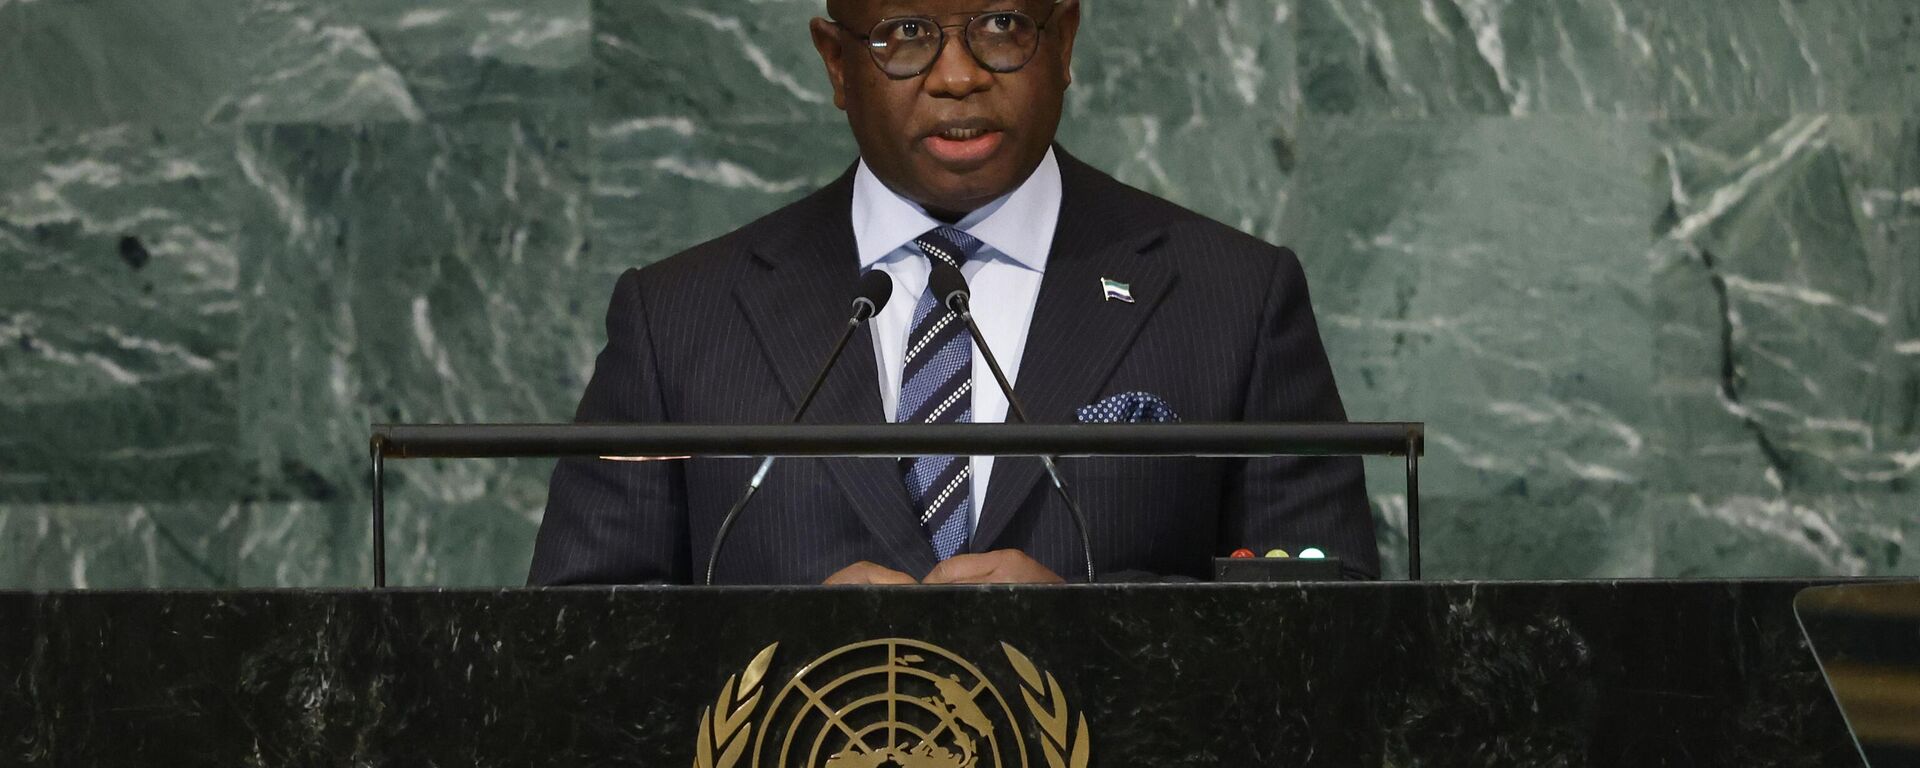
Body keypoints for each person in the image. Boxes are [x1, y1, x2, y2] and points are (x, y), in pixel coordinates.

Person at [529, 0, 1378, 585]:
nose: (960, 75)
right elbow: (576, 646)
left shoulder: (1230, 298)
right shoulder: (679, 318)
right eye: (906, 33)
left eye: (1002, 26)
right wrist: (774, 652)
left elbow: (1329, 609)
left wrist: (1099, 635)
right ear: (835, 61)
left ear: (1066, 38)